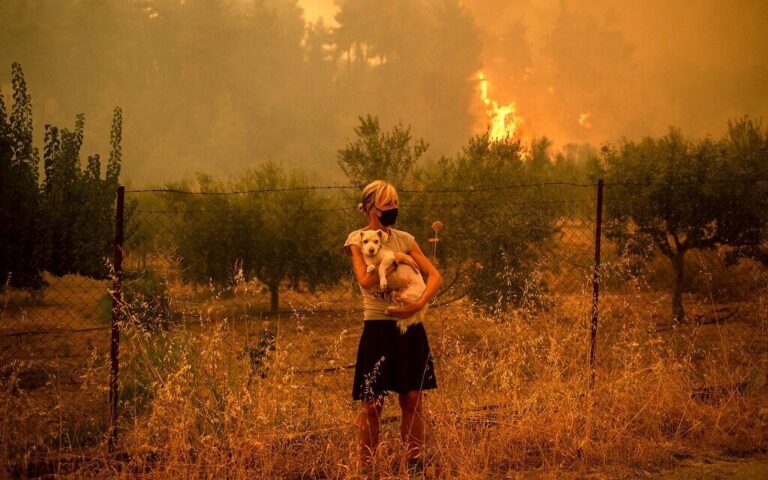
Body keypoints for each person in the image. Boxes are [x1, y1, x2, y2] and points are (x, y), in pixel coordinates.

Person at [343, 179, 443, 475]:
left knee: (412, 398)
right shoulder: (357, 239)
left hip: (410, 325)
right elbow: (365, 280)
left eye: (395, 203)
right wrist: (397, 259)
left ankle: (414, 463)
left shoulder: (405, 238)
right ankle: (367, 467)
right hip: (377, 326)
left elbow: (435, 276)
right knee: (371, 403)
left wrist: (419, 303)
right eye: (387, 204)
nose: (393, 209)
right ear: (371, 208)